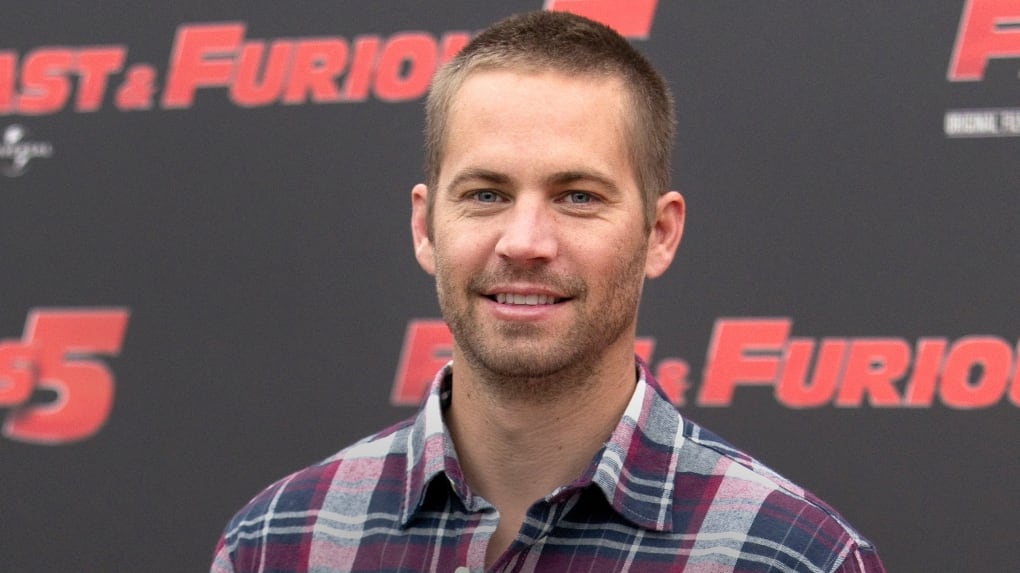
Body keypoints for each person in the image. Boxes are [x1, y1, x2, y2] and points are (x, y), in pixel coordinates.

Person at [211, 10, 886, 573]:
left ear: (659, 233)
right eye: (486, 194)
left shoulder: (794, 558)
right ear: (425, 227)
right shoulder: (277, 544)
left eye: (577, 196)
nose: (524, 241)